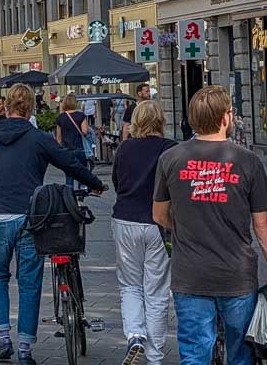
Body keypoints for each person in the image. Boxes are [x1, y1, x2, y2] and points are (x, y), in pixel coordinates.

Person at [152, 85, 267, 365]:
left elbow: (159, 215)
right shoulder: (247, 161)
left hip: (189, 273)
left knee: (194, 352)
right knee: (241, 352)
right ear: (226, 118)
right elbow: (262, 222)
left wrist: (185, 226)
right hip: (236, 275)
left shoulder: (170, 159)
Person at [0, 84, 104, 364]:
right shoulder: (38, 137)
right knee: (29, 281)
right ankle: (25, 348)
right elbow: (69, 163)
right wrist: (96, 184)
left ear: (8, 105)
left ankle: (2, 338)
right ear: (31, 108)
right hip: (28, 216)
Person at [112, 101, 176, 365]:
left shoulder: (125, 148)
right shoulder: (170, 148)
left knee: (130, 284)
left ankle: (135, 335)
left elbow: (116, 182)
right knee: (157, 290)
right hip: (158, 224)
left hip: (125, 219)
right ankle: (155, 357)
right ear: (161, 121)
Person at [54, 94, 90, 189]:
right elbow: (85, 132)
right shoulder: (81, 115)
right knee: (82, 174)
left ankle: (69, 198)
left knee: (69, 176)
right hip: (79, 148)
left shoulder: (60, 118)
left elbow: (58, 138)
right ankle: (80, 197)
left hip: (67, 151)